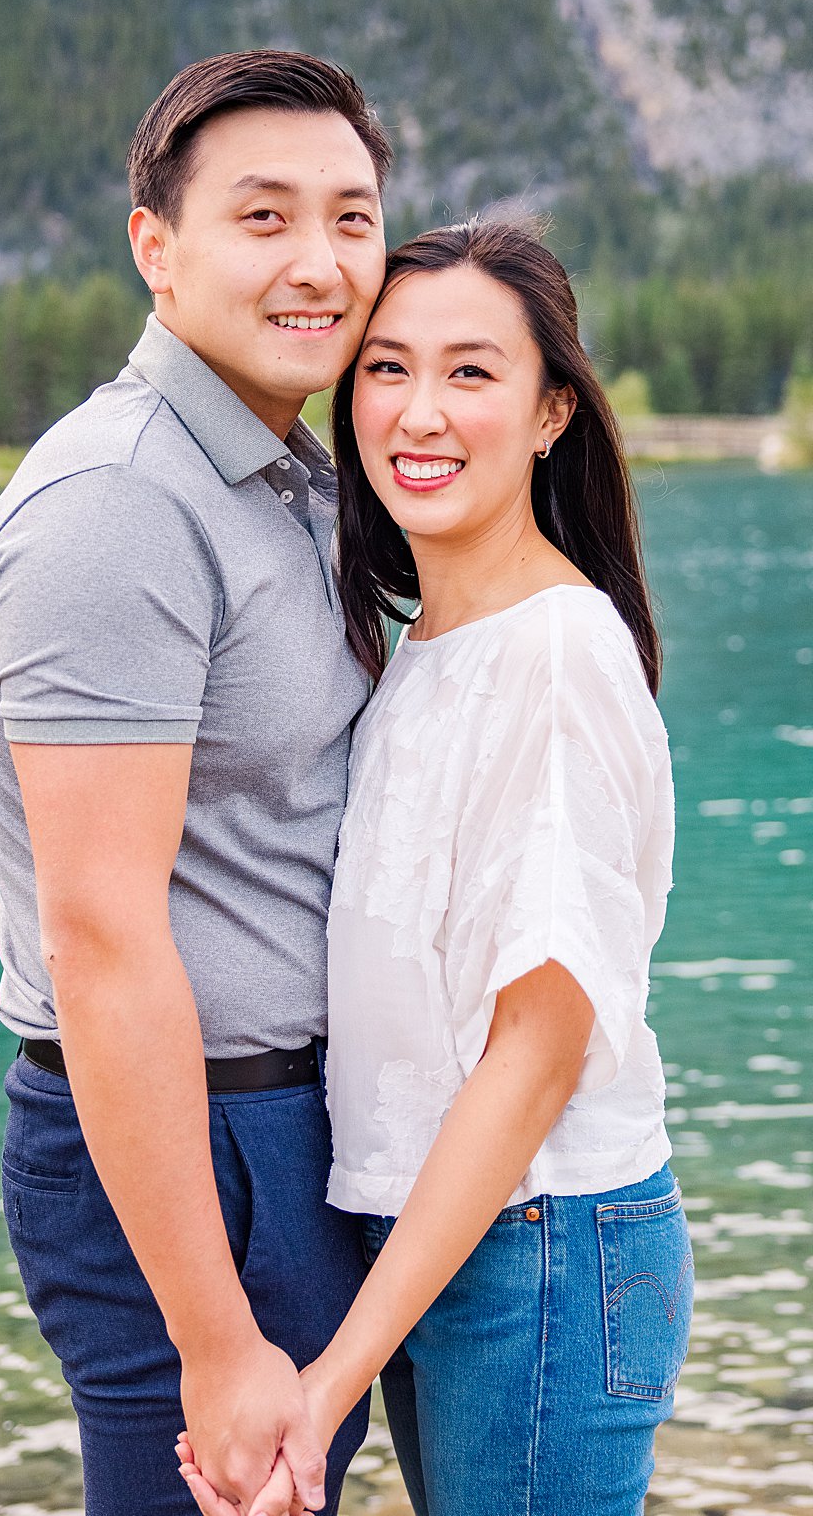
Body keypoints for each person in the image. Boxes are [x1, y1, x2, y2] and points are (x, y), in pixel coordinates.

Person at [180, 219, 687, 1515]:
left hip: (541, 1240)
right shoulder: (430, 645)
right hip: (458, 1242)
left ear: (551, 410)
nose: (419, 410)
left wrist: (332, 1371)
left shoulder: (556, 654)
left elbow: (539, 1045)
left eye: (472, 372)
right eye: (387, 367)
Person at [0, 51, 390, 1513]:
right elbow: (103, 935)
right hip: (191, 1149)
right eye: (264, 218)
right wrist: (214, 1331)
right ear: (158, 248)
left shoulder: (286, 473)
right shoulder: (122, 507)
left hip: (285, 1127)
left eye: (352, 216)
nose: (321, 262)